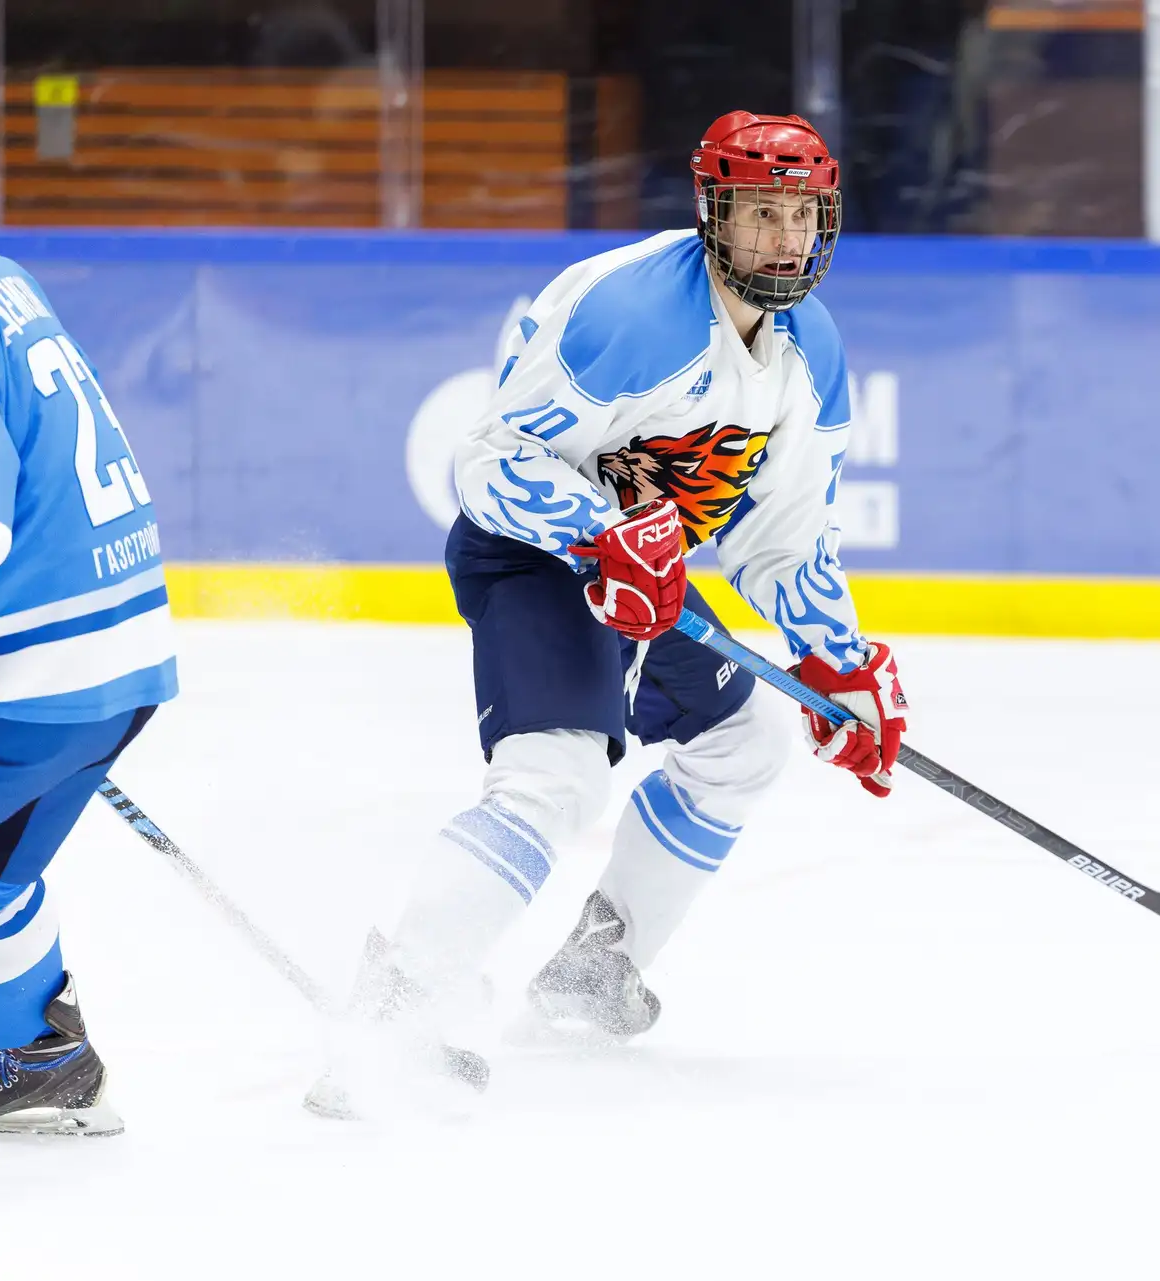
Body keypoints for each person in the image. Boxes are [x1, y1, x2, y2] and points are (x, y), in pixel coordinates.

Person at [309, 111, 906, 1112]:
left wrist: (836, 661)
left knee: (748, 744)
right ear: (713, 214)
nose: (784, 239)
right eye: (760, 214)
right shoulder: (633, 317)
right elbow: (490, 462)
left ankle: (594, 971)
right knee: (556, 777)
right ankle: (398, 1003)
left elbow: (785, 540)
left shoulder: (813, 353)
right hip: (539, 555)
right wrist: (599, 531)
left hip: (647, 575)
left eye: (801, 216)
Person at [0, 260, 178, 1137]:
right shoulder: (6, 277)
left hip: (39, 672)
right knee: (2, 869)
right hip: (114, 656)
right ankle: (42, 1053)